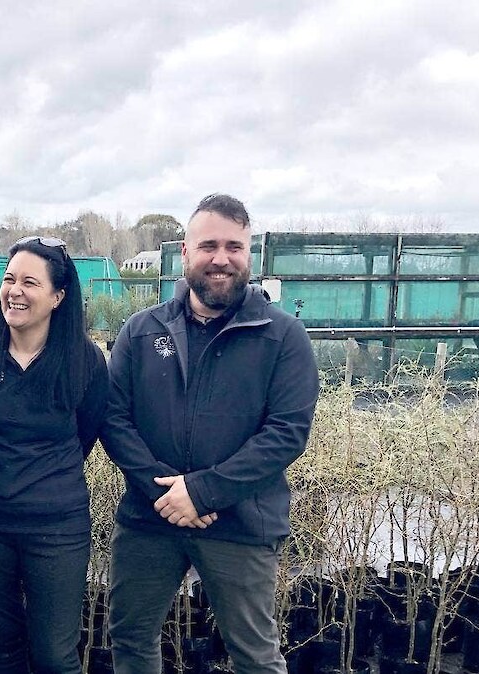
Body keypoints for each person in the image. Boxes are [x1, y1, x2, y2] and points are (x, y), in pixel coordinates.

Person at [101, 194, 319, 674]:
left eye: (234, 247)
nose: (221, 258)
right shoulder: (141, 331)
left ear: (249, 254)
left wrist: (200, 493)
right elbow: (114, 419)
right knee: (131, 640)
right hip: (149, 519)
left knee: (255, 656)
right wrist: (165, 492)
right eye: (209, 246)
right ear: (186, 252)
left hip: (239, 522)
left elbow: (285, 434)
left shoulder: (282, 337)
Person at [0, 236, 108, 674]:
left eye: (30, 282)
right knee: (4, 643)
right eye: (9, 279)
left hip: (55, 527)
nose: (15, 290)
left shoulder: (85, 362)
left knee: (55, 652)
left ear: (57, 297)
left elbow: (84, 438)